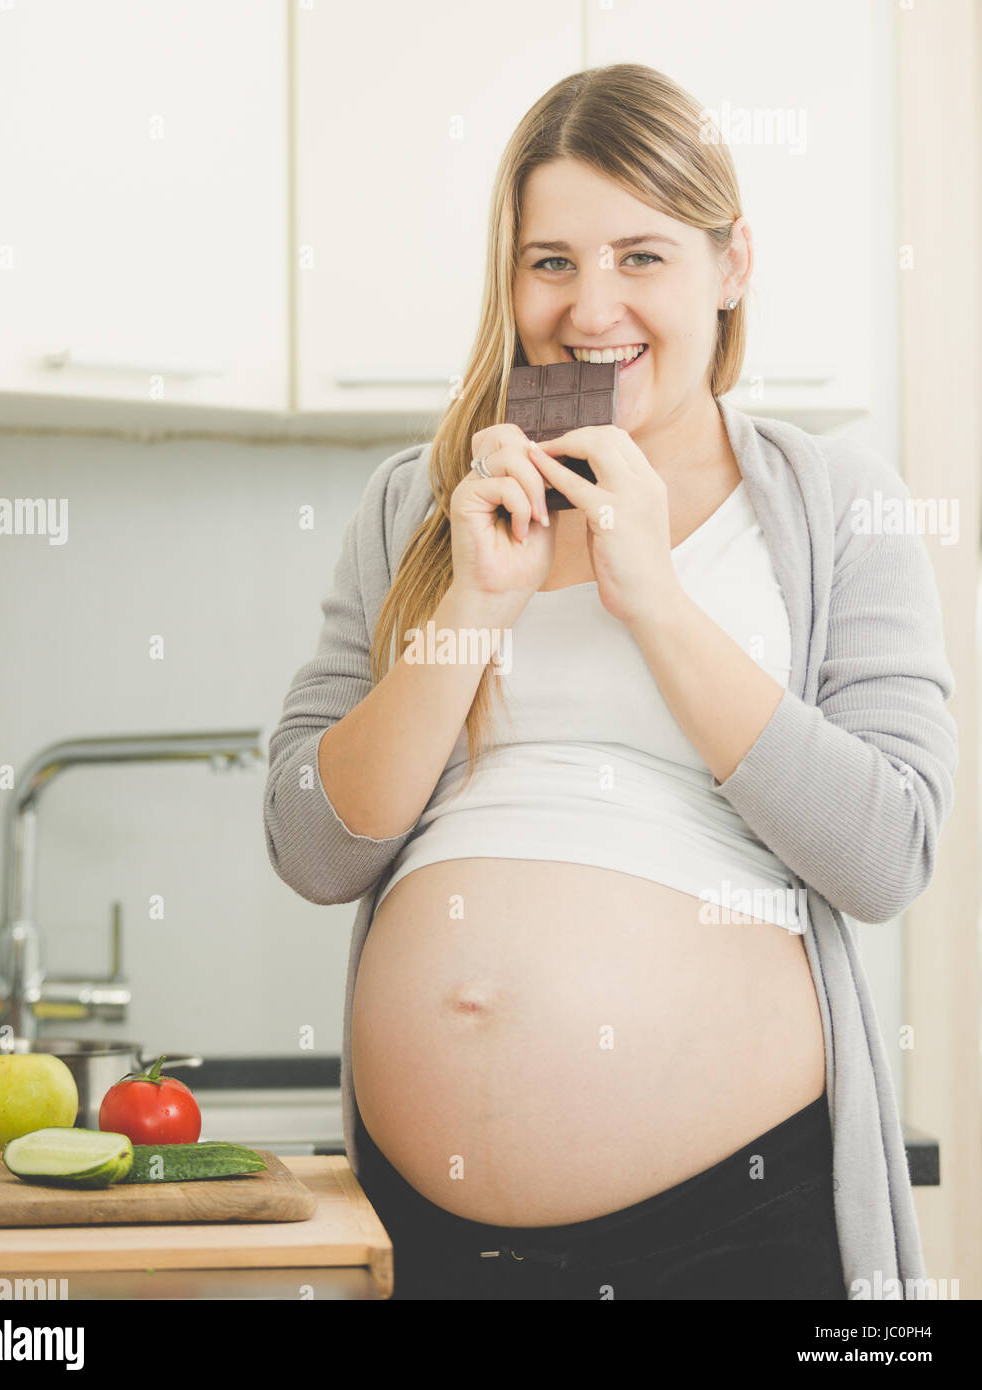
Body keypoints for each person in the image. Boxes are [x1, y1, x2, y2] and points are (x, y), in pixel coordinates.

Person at [264, 65, 957, 1301]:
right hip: (434, 1237)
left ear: (728, 264)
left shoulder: (834, 501)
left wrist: (654, 596)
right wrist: (473, 604)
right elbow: (314, 849)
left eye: (642, 257)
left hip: (738, 1228)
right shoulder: (413, 507)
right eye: (550, 262)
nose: (590, 309)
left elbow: (884, 850)